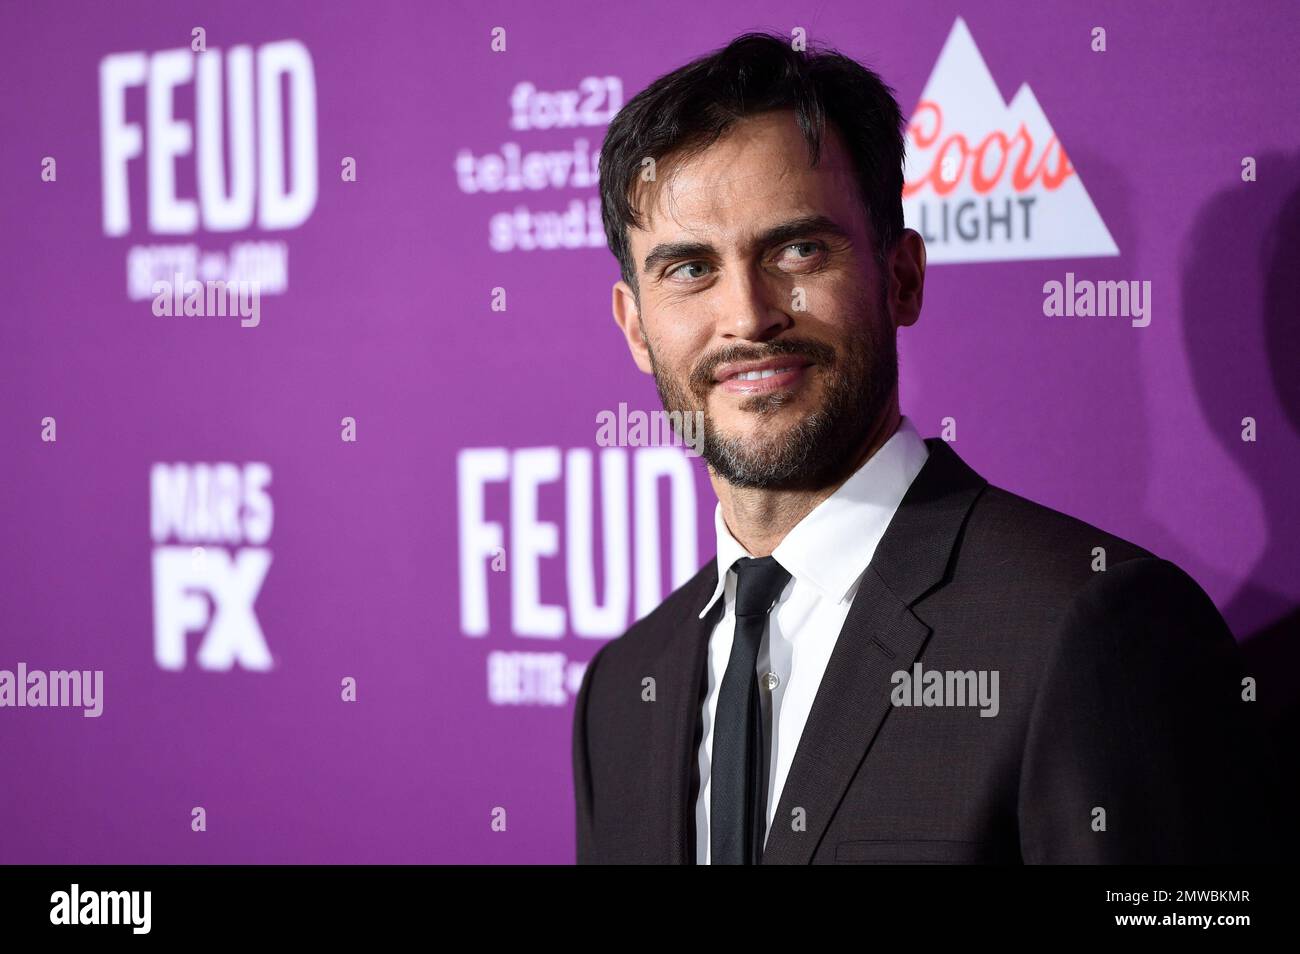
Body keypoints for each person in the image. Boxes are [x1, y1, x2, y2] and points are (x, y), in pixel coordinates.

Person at [572, 31, 1285, 864]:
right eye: (689, 269)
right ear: (635, 326)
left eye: (798, 249)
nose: (749, 315)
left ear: (902, 276)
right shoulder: (623, 692)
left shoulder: (1091, 628)